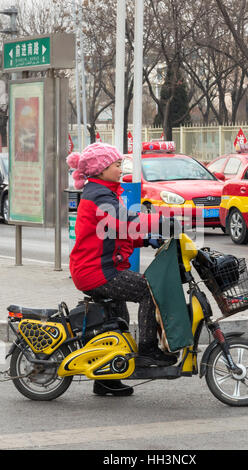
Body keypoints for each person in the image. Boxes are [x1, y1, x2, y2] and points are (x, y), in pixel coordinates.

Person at [67, 142, 177, 397]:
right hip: (96, 271)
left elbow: (117, 231)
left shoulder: (102, 191)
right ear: (101, 169)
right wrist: (162, 222)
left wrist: (146, 239)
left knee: (117, 323)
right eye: (117, 165)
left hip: (97, 267)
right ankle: (148, 350)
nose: (121, 169)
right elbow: (125, 221)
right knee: (149, 289)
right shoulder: (98, 195)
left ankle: (106, 379)